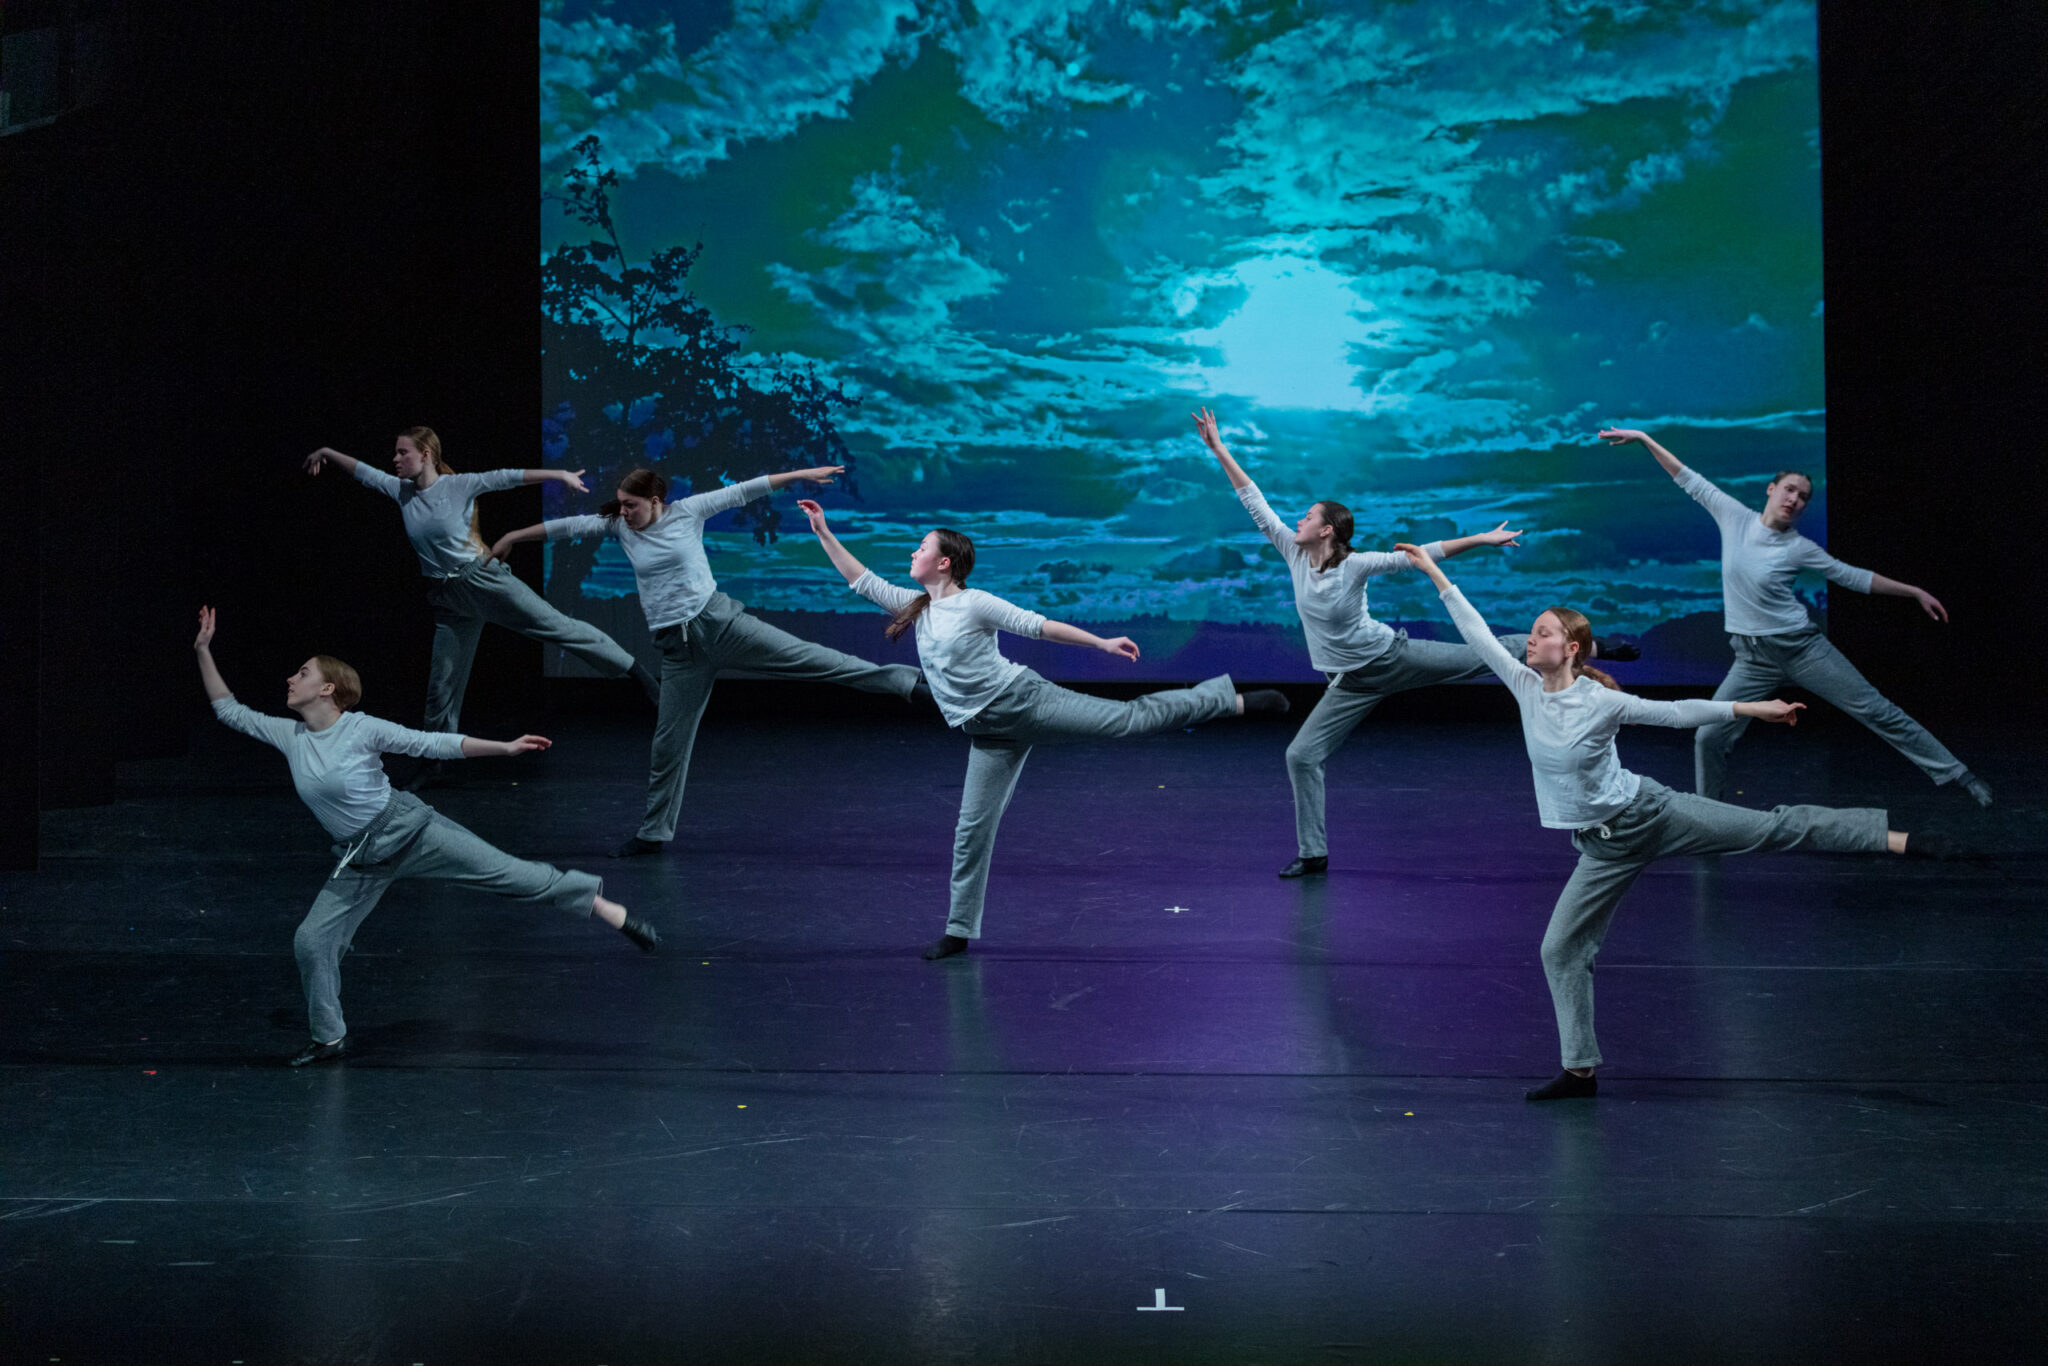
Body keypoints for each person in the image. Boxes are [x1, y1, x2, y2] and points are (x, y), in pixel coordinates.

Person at [1388, 544, 1967, 1101]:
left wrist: (1753, 708)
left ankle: (1893, 838)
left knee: (1772, 827)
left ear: (1572, 648)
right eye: (1533, 632)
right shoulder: (1523, 686)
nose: (1530, 639)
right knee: (1560, 951)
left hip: (1651, 814)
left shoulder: (1600, 701)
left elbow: (1677, 713)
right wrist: (1431, 572)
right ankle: (1580, 1071)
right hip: (1602, 848)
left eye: (1542, 632)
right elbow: (1475, 631)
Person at [797, 498, 1292, 960]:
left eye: (922, 547)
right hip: (987, 732)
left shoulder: (975, 604)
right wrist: (823, 530)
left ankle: (1228, 698)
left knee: (1127, 720)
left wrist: (1101, 643)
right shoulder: (916, 606)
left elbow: (1039, 625)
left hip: (1025, 702)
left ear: (945, 562)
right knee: (972, 829)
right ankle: (959, 929)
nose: (913, 551)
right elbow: (859, 578)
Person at [192, 606, 657, 1067]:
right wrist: (203, 649)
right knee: (311, 941)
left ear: (327, 688)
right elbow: (229, 711)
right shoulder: (290, 735)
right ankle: (328, 1037)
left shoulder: (360, 727)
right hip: (361, 858)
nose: (291, 678)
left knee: (511, 875)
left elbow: (431, 743)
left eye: (303, 672)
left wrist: (505, 746)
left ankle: (600, 904)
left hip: (411, 831)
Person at [1195, 407, 1614, 878]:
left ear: (1327, 530)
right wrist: (1218, 447)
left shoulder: (1353, 566)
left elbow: (1419, 557)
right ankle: (1313, 853)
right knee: (1301, 755)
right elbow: (1253, 499)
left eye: (1308, 515)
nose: (1299, 519)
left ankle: (1590, 647)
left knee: (1483, 655)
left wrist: (1481, 538)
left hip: (1392, 658)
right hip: (1350, 682)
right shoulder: (1293, 551)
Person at [489, 465, 924, 858]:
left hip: (722, 627)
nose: (623, 513)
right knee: (667, 745)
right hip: (679, 653)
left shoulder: (688, 512)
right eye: (620, 505)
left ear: (656, 501)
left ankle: (912, 686)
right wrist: (510, 537)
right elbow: (564, 528)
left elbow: (746, 490)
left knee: (820, 661)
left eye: (631, 505)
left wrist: (800, 476)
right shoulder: (620, 528)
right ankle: (653, 833)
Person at [1598, 427, 1988, 806]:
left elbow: (1852, 576)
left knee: (1875, 709)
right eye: (1789, 490)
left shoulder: (1799, 548)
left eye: (1803, 497)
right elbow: (1688, 479)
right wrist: (1646, 439)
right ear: (1771, 489)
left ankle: (1957, 773)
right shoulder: (1734, 517)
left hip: (1802, 649)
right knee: (1709, 736)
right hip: (1752, 658)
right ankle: (1710, 817)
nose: (1795, 499)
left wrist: (1914, 591)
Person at [305, 427, 657, 788]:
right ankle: (433, 761)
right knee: (442, 683)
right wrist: (328, 451)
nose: (395, 459)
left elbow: (507, 477)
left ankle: (635, 670)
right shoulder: (402, 491)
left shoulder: (458, 485)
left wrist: (560, 474)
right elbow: (362, 471)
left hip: (484, 581)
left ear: (425, 455)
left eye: (402, 452)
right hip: (447, 596)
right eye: (394, 453)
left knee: (557, 626)